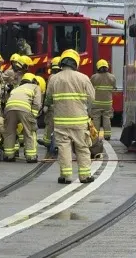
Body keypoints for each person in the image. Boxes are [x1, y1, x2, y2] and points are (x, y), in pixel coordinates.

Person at [49, 49, 96, 184]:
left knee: (63, 148)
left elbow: (49, 98)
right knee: (82, 147)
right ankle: (85, 176)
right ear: (76, 63)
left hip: (61, 121)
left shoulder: (54, 79)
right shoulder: (83, 78)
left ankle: (66, 176)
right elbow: (92, 98)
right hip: (79, 121)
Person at [4, 72, 43, 162]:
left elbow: (9, 98)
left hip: (9, 108)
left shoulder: (17, 88)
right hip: (24, 109)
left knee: (10, 132)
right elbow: (37, 103)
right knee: (29, 132)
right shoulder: (35, 87)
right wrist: (33, 116)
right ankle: (31, 156)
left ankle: (9, 155)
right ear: (34, 81)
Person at [38, 56, 62, 150]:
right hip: (61, 105)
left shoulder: (52, 77)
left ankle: (47, 141)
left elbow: (49, 93)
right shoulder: (63, 76)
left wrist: (46, 105)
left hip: (52, 105)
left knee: (49, 124)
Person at [90, 60, 117, 140]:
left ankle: (95, 135)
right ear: (107, 67)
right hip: (107, 103)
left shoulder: (94, 77)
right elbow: (114, 88)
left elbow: (90, 88)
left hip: (96, 103)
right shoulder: (112, 77)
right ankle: (107, 135)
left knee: (96, 119)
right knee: (107, 118)